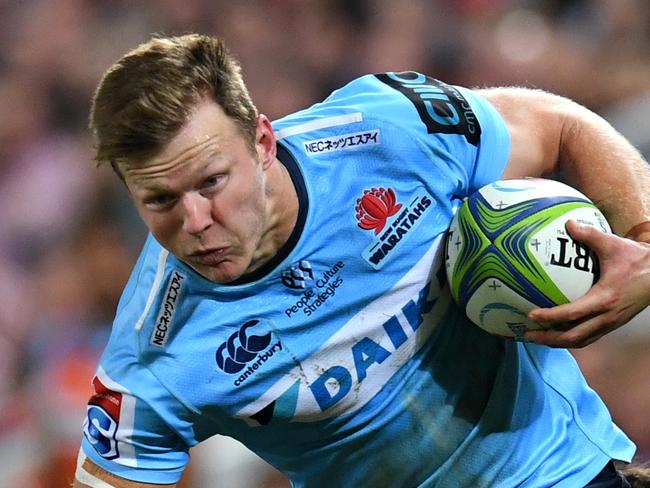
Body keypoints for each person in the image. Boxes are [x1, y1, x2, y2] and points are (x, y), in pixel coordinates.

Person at [74, 34, 650, 488]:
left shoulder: (385, 134)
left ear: (263, 142)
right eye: (161, 200)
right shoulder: (150, 359)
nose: (196, 221)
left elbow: (561, 126)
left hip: (564, 472)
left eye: (213, 181)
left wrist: (644, 245)